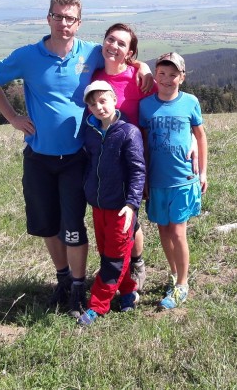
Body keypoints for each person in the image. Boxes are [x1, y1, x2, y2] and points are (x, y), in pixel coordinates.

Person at [0, 0, 152, 318]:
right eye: (58, 16)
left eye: (70, 18)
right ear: (48, 18)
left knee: (73, 226)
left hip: (76, 157)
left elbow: (120, 57)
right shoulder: (27, 56)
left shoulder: (90, 52)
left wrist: (142, 66)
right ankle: (62, 279)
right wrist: (13, 118)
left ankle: (77, 287)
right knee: (48, 226)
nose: (63, 23)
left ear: (79, 23)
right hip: (38, 157)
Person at [139, 52, 208, 310]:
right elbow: (144, 144)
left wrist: (203, 172)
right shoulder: (145, 106)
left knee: (178, 232)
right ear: (155, 75)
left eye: (173, 74)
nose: (167, 79)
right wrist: (144, 177)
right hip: (157, 180)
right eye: (162, 73)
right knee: (163, 231)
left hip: (183, 179)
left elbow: (200, 136)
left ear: (182, 77)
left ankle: (182, 283)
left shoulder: (190, 102)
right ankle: (174, 272)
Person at [76, 80, 146, 326]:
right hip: (98, 204)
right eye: (93, 104)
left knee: (115, 256)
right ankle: (127, 291)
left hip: (121, 208)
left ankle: (98, 304)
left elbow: (137, 170)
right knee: (109, 252)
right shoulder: (90, 132)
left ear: (114, 100)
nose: (99, 107)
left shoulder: (129, 132)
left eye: (103, 101)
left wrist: (132, 204)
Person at [92, 23, 154, 292]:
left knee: (130, 218)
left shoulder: (139, 79)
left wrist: (192, 138)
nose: (114, 46)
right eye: (110, 39)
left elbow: (165, 105)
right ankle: (116, 266)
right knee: (109, 218)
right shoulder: (93, 75)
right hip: (102, 161)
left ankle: (135, 264)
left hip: (132, 161)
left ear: (130, 53)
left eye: (121, 43)